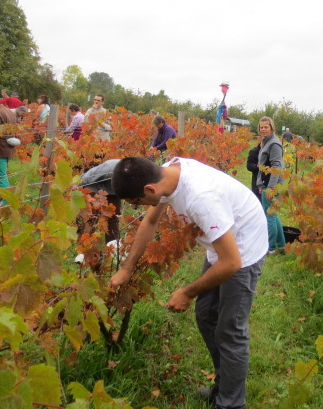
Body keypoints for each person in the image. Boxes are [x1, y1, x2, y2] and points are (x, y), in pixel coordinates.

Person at [109, 157, 266, 409]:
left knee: (230, 330)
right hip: (223, 242)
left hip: (243, 248)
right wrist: (127, 267)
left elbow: (231, 262)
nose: (140, 208)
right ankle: (225, 386)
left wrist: (187, 291)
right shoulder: (168, 171)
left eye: (137, 203)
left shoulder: (200, 198)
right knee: (206, 316)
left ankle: (231, 404)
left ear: (150, 190)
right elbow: (150, 222)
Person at [256, 116, 286, 255]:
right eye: (261, 127)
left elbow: (276, 167)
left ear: (271, 128)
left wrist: (271, 188)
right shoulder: (266, 142)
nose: (263, 129)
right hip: (266, 183)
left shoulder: (274, 144)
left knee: (270, 216)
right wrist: (260, 183)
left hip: (272, 185)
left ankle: (271, 248)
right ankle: (281, 244)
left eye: (266, 127)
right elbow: (262, 166)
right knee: (273, 214)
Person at [78, 159, 122, 243]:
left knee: (113, 216)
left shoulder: (137, 177)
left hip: (113, 188)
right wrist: (76, 187)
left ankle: (113, 250)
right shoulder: (109, 169)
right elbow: (86, 178)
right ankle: (84, 249)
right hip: (94, 186)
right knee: (91, 218)